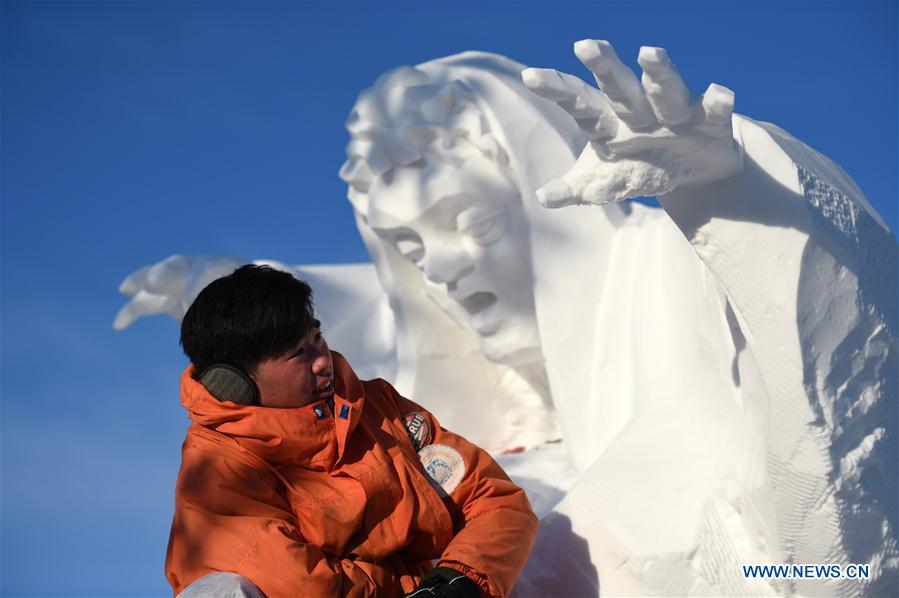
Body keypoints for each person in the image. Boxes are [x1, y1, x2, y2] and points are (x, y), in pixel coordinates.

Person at [165, 264, 538, 597]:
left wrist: (460, 580)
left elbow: (496, 501)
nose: (323, 361)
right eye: (299, 354)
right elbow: (302, 586)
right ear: (234, 384)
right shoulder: (215, 469)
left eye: (317, 338)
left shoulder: (377, 408)